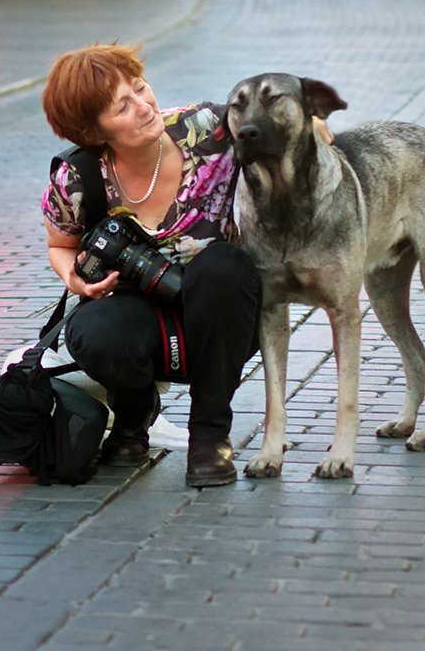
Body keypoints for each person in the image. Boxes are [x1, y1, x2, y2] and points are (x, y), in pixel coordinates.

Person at [40, 45, 334, 488]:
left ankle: (209, 435)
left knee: (225, 266)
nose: (143, 107)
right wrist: (74, 280)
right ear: (92, 129)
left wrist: (308, 121)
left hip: (221, 313)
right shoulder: (78, 177)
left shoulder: (204, 130)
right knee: (94, 333)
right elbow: (59, 244)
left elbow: (263, 117)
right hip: (135, 313)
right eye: (123, 106)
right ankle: (133, 417)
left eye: (140, 89)